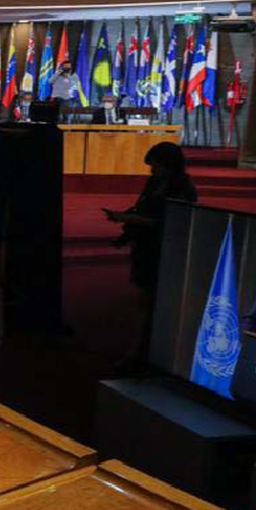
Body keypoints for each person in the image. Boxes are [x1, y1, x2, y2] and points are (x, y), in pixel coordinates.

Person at [103, 141, 198, 369]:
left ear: (169, 165)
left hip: (167, 246)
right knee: (145, 299)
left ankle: (146, 353)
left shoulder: (183, 187)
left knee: (157, 301)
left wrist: (126, 219)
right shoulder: (154, 182)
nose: (152, 171)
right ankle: (140, 350)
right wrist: (126, 223)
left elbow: (167, 221)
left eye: (156, 167)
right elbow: (142, 208)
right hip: (147, 245)